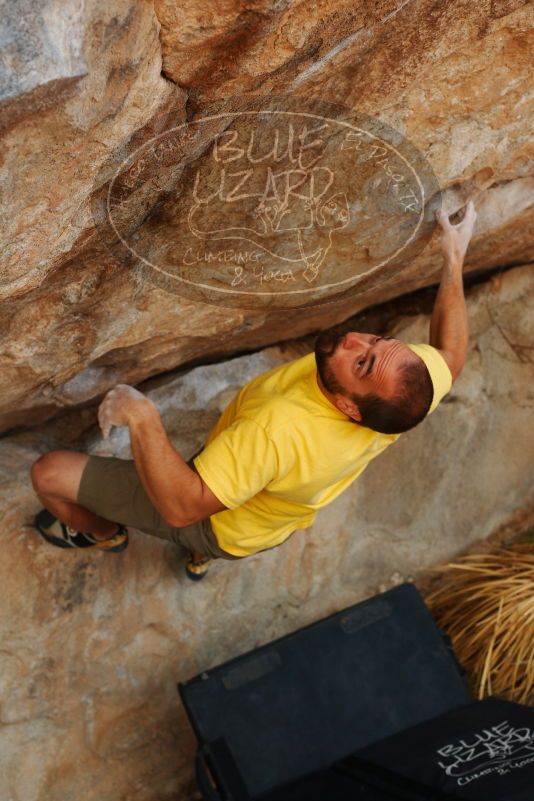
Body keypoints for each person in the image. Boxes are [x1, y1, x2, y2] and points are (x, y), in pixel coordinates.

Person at [31, 203, 477, 580]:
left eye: (361, 362)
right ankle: (199, 560)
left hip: (210, 521)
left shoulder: (278, 430)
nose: (355, 341)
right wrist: (454, 258)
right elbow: (450, 355)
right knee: (240, 494)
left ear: (347, 405)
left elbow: (184, 507)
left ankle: (105, 533)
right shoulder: (401, 398)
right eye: (377, 341)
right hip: (265, 527)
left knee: (50, 474)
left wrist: (142, 416)